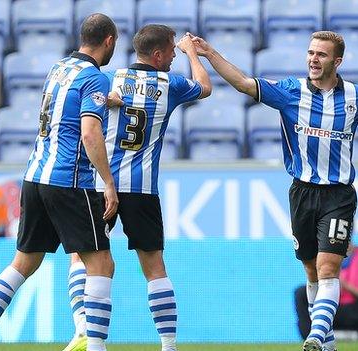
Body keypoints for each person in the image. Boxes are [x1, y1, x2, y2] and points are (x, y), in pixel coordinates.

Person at [190, 31, 358, 351]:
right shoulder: (291, 91)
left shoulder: (356, 98)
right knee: (310, 269)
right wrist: (209, 52)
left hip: (339, 195)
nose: (313, 59)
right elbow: (243, 83)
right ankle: (327, 342)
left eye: (321, 54)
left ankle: (316, 335)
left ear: (337, 61)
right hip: (301, 193)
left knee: (327, 266)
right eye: (310, 53)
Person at [0, 13, 119, 351]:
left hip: (35, 176)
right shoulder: (96, 77)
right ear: (108, 41)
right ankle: (94, 345)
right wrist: (107, 182)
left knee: (24, 262)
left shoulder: (59, 69)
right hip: (69, 180)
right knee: (101, 262)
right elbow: (90, 134)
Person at [62, 25, 212, 351]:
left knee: (80, 257)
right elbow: (205, 87)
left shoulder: (109, 79)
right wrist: (193, 54)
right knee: (155, 267)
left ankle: (82, 331)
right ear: (158, 55)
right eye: (172, 50)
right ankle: (169, 346)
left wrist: (111, 102)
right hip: (142, 189)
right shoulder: (170, 84)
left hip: (102, 185)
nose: (175, 54)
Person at [295, 243, 358, 341]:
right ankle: (312, 339)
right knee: (301, 292)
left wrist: (342, 284)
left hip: (355, 310)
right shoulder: (319, 256)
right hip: (327, 309)